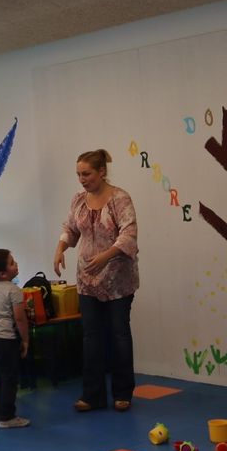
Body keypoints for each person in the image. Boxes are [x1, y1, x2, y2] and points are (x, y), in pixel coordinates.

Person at [53, 149, 140, 413]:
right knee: (91, 337)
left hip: (117, 280)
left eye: (87, 173)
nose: (82, 179)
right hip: (87, 280)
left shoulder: (120, 198)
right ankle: (92, 395)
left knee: (119, 334)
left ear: (102, 172)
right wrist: (60, 248)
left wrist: (106, 256)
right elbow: (70, 228)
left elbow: (129, 233)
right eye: (79, 174)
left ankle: (123, 393)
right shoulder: (79, 200)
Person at [0, 249, 31, 428]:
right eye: (12, 263)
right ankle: (7, 417)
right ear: (3, 273)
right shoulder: (14, 290)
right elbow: (19, 318)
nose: (16, 264)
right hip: (4, 340)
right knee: (9, 378)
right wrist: (25, 340)